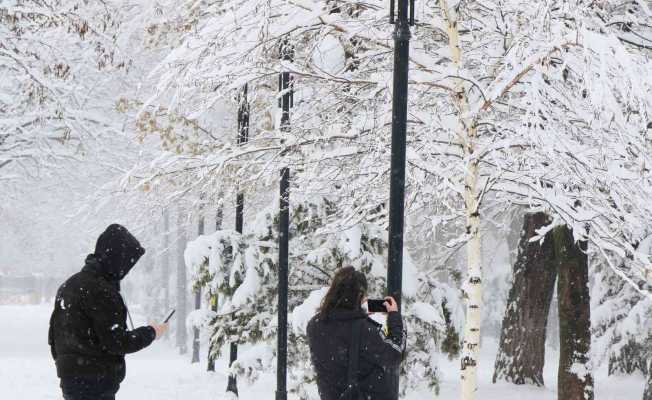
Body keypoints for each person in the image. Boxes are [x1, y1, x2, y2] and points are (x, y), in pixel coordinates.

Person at [48, 224, 169, 400]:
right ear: (117, 259)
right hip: (96, 384)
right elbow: (117, 342)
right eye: (127, 263)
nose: (126, 270)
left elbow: (54, 336)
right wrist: (151, 332)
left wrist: (68, 367)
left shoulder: (68, 285)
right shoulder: (102, 292)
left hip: (70, 381)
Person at [307, 266, 407, 400]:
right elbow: (395, 354)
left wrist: (358, 315)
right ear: (359, 295)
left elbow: (340, 347)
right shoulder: (363, 330)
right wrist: (394, 316)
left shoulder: (315, 324)